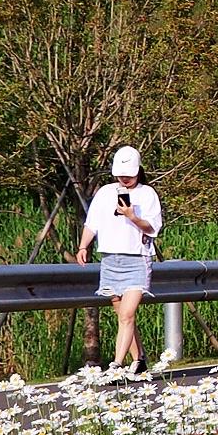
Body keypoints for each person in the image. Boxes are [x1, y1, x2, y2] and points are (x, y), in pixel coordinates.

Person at [75, 146, 163, 371]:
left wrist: (132, 216)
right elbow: (92, 223)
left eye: (130, 174)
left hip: (137, 259)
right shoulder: (105, 192)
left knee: (127, 314)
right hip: (111, 260)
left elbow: (152, 227)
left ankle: (116, 363)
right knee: (123, 317)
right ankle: (139, 359)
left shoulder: (147, 194)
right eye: (121, 174)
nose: (125, 178)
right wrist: (84, 245)